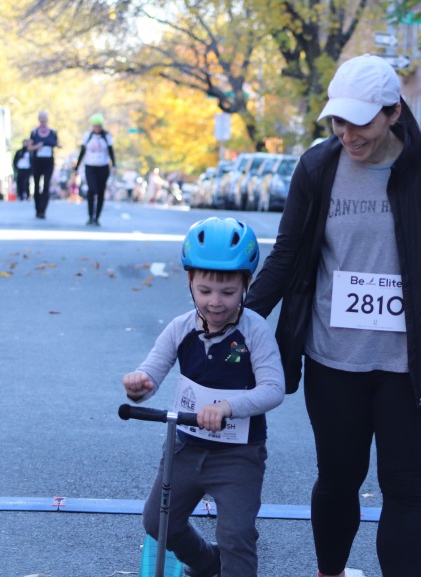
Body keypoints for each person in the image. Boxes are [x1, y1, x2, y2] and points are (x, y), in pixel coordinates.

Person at [243, 54, 421, 577]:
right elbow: (287, 255)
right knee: (337, 478)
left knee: (405, 484)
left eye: (361, 122)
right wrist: (239, 318)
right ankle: (328, 572)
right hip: (334, 358)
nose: (348, 134)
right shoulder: (317, 166)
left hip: (410, 360)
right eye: (338, 121)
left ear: (393, 112)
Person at [122, 217, 285, 577]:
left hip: (238, 455)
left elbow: (273, 389)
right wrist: (140, 384)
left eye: (228, 293)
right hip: (186, 448)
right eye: (205, 290)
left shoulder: (254, 330)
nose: (215, 302)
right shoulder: (180, 328)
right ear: (190, 283)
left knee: (237, 535)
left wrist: (228, 406)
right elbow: (152, 369)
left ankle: (228, 563)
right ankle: (205, 562)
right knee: (157, 522)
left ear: (246, 284)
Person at [74, 113, 116, 226]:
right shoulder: (87, 136)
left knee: (101, 192)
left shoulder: (106, 137)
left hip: (103, 167)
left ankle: (97, 217)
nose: (97, 128)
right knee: (92, 190)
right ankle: (90, 216)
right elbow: (82, 152)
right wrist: (76, 166)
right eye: (95, 126)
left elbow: (111, 151)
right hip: (90, 166)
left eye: (99, 126)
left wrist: (114, 165)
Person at [28, 111, 62, 219]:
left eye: (44, 118)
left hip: (48, 162)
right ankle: (37, 209)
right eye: (41, 118)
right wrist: (37, 146)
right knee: (37, 186)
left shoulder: (53, 132)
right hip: (37, 162)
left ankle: (43, 210)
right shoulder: (34, 132)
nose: (42, 120)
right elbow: (29, 147)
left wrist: (58, 145)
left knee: (46, 185)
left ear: (47, 119)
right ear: (39, 119)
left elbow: (58, 143)